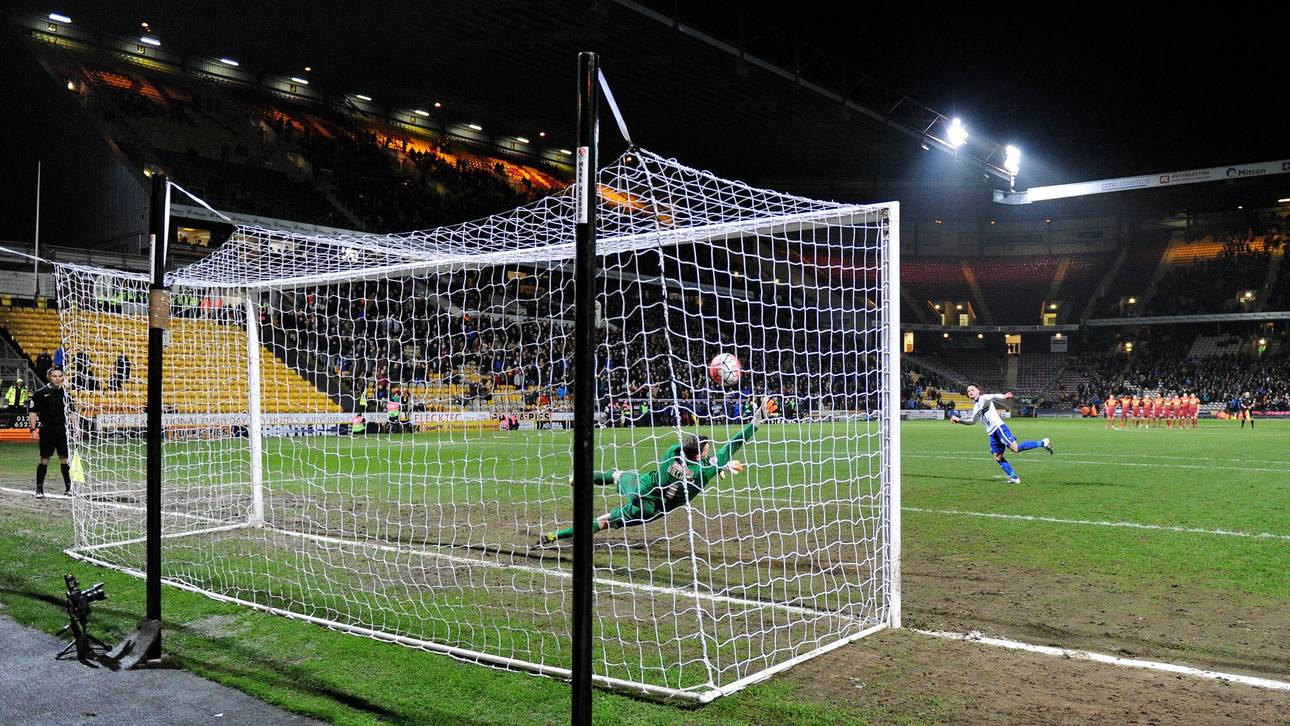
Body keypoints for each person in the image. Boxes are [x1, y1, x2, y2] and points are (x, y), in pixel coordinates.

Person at [534, 397, 778, 548]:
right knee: (602, 522)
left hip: (641, 486)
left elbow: (688, 454)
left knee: (616, 475)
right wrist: (755, 423)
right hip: (649, 509)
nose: (709, 449)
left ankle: (580, 478)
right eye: (706, 448)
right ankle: (554, 535)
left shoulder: (672, 453)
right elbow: (734, 443)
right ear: (700, 454)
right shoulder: (703, 473)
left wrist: (716, 463)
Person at [950, 386, 1052, 484]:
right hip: (992, 433)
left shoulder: (983, 398)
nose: (970, 392)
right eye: (968, 391)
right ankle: (1015, 478)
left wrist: (1003, 396)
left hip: (999, 428)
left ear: (978, 391)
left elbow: (993, 396)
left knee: (1015, 449)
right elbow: (972, 421)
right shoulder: (976, 407)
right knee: (998, 457)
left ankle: (1043, 442)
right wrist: (959, 421)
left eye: (972, 390)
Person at [27, 367, 72, 498]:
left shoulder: (66, 393)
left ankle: (69, 488)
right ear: (49, 377)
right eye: (54, 376)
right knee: (45, 459)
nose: (57, 378)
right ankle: (39, 489)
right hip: (47, 430)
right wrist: (33, 429)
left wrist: (76, 429)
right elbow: (33, 413)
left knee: (65, 459)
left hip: (63, 430)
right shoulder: (40, 393)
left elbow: (72, 413)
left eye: (59, 376)